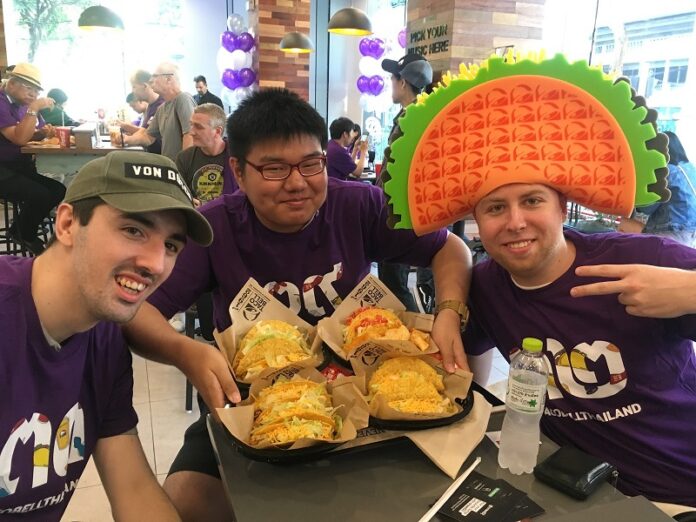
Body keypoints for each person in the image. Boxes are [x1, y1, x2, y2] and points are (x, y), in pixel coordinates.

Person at [122, 87, 472, 521]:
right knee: (187, 503)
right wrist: (185, 350)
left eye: (311, 164)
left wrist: (449, 313)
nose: (297, 183)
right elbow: (138, 309)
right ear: (238, 169)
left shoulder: (358, 205)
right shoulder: (214, 227)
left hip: (372, 396)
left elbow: (451, 248)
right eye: (273, 168)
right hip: (256, 403)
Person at [383, 52, 696, 507]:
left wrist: (689, 290)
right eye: (494, 208)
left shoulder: (645, 259)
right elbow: (462, 371)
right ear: (475, 221)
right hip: (566, 489)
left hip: (679, 492)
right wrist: (447, 317)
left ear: (562, 208)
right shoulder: (488, 285)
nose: (514, 223)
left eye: (532, 201)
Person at [0, 150, 213, 521]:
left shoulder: (105, 341)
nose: (155, 263)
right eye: (133, 230)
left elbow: (133, 490)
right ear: (67, 224)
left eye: (171, 245)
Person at [377, 53, 434, 312]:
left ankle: (410, 342)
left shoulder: (411, 121)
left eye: (392, 78)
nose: (391, 83)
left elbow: (393, 172)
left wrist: (375, 206)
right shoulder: (426, 116)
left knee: (393, 284)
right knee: (396, 281)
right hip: (416, 213)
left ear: (402, 83)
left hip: (399, 214)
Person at [0, 62, 65, 255]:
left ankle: (20, 229)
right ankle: (24, 233)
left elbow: (28, 134)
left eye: (36, 91)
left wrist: (42, 133)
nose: (33, 95)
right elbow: (19, 138)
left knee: (58, 190)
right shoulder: (3, 102)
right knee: (40, 195)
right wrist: (35, 107)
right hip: (3, 170)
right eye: (29, 88)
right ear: (11, 84)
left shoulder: (23, 105)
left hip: (19, 167)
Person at [618, 130, 696, 248]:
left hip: (670, 233)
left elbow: (648, 208)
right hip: (690, 233)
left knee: (623, 229)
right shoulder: (689, 168)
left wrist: (634, 200)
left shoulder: (666, 171)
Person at [123, 65, 197, 160]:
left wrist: (183, 168)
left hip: (180, 170)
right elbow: (147, 136)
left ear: (168, 79)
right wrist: (125, 139)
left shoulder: (183, 99)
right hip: (169, 168)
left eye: (155, 76)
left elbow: (190, 135)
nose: (151, 80)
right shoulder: (161, 109)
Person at [175, 103, 238, 205]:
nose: (191, 132)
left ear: (217, 131)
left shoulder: (238, 156)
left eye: (198, 127)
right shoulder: (184, 158)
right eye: (191, 125)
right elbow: (177, 194)